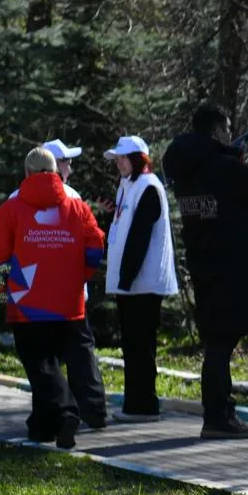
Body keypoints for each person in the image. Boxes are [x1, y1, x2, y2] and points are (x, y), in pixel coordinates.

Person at [163, 103, 248, 438]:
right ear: (216, 131)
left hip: (204, 267)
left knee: (217, 343)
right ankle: (218, 417)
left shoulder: (187, 172)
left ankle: (218, 413)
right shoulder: (223, 168)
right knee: (220, 346)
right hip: (230, 269)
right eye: (227, 129)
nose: (229, 135)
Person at [0, 147, 107, 449]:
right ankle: (42, 426)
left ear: (27, 173)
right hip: (69, 302)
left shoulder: (10, 209)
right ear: (56, 171)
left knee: (40, 364)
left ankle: (67, 411)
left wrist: (4, 289)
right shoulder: (77, 206)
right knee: (52, 361)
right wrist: (80, 276)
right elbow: (95, 247)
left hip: (27, 301)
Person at [104, 134, 178, 423]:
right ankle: (135, 404)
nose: (119, 163)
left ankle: (144, 405)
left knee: (141, 347)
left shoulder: (148, 187)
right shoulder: (128, 186)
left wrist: (125, 279)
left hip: (142, 284)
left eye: (123, 158)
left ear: (137, 159)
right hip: (130, 285)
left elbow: (140, 238)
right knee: (132, 346)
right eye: (117, 159)